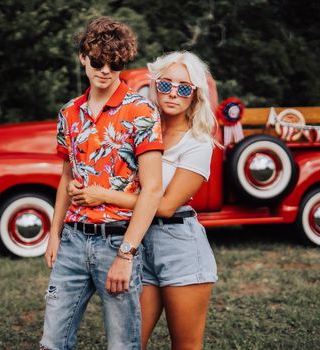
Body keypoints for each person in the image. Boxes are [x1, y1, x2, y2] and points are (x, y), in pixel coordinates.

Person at [69, 51, 219, 349]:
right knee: (129, 342)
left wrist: (102, 195)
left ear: (195, 95)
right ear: (154, 85)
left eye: (184, 88)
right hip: (136, 242)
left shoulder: (198, 143)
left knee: (185, 345)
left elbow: (163, 205)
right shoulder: (139, 130)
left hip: (179, 246)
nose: (173, 93)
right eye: (166, 85)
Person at [40, 17, 164, 350]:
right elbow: (67, 175)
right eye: (97, 61)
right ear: (83, 57)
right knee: (52, 342)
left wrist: (126, 254)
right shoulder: (69, 112)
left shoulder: (142, 111)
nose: (105, 70)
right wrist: (53, 235)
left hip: (118, 241)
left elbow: (153, 189)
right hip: (72, 241)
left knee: (122, 345)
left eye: (115, 63)